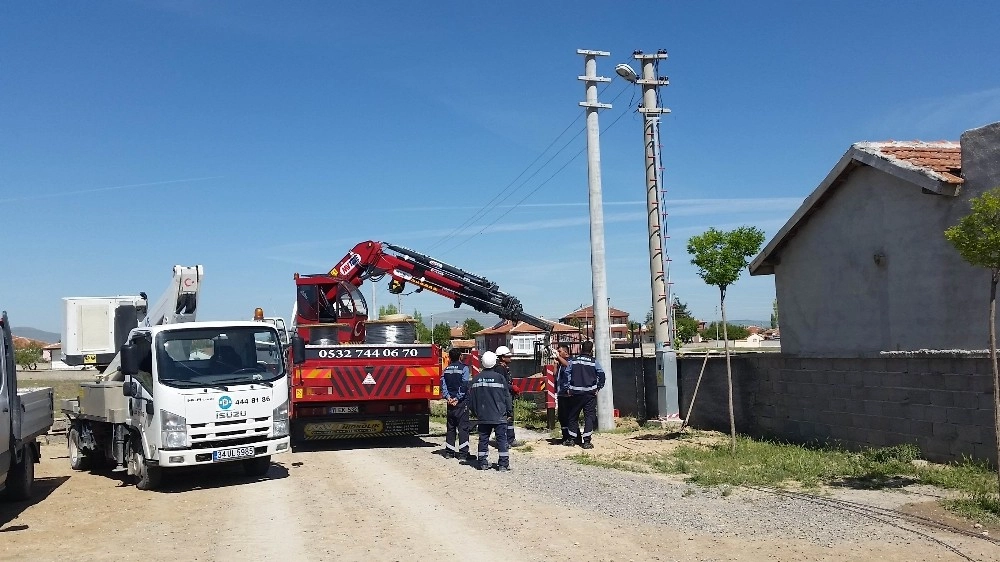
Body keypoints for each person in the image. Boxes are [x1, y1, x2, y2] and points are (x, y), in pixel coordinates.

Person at [468, 351, 512, 471]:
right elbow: (507, 396)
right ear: (494, 362)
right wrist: (509, 412)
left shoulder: (476, 379)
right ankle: (503, 464)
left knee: (483, 439)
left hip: (483, 415)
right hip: (499, 415)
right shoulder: (500, 378)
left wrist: (475, 412)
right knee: (502, 439)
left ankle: (482, 462)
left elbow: (470, 399)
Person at [560, 340, 606, 449]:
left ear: (581, 349)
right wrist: (598, 387)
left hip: (575, 393)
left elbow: (567, 373)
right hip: (589, 394)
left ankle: (572, 440)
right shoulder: (594, 362)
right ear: (591, 350)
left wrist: (567, 388)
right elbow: (602, 375)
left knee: (573, 416)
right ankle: (586, 441)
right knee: (589, 417)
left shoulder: (574, 361)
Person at [440, 347, 472, 461]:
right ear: (460, 357)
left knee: (451, 427)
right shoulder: (464, 368)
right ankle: (463, 454)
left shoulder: (446, 370)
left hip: (450, 403)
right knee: (463, 428)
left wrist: (448, 398)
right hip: (461, 403)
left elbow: (443, 386)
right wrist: (457, 399)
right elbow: (464, 386)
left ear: (449, 357)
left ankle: (449, 452)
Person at [494, 345, 521, 447]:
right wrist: (512, 387)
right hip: (502, 398)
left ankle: (510, 439)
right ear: (502, 357)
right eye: (508, 356)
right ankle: (503, 440)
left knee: (509, 418)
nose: (510, 358)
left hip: (507, 396)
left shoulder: (504, 368)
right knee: (504, 418)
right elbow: (503, 384)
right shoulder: (500, 369)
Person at [552, 343, 574, 446]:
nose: (558, 353)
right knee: (562, 416)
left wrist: (558, 357)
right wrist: (556, 363)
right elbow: (555, 374)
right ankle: (565, 436)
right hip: (560, 393)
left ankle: (572, 436)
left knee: (569, 416)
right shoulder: (560, 363)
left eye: (560, 351)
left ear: (566, 352)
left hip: (568, 394)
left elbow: (568, 366)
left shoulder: (570, 361)